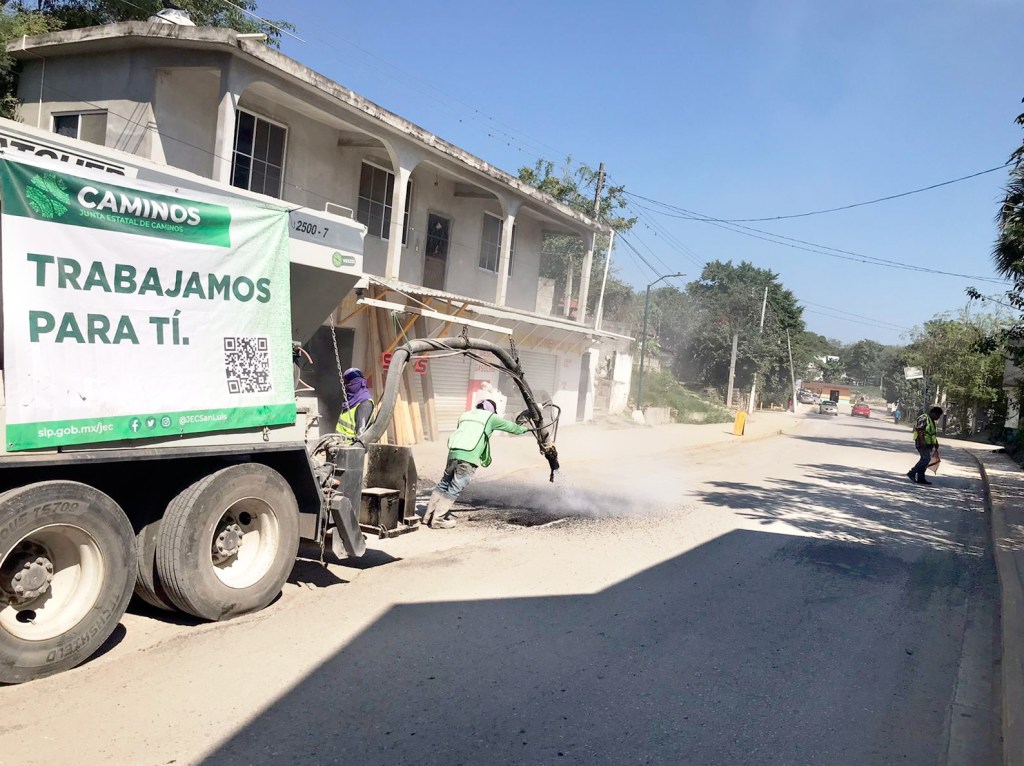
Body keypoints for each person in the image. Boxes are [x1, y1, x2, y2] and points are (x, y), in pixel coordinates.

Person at [422, 399, 529, 529]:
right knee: (455, 487)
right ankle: (437, 520)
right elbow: (513, 428)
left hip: (453, 452)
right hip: (469, 455)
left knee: (444, 483)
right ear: (491, 410)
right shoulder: (491, 417)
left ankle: (427, 516)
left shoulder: (465, 415)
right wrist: (525, 428)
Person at [907, 406, 942, 485]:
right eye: (938, 415)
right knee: (925, 459)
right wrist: (922, 442)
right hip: (922, 443)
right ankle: (912, 472)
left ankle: (921, 478)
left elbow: (932, 434)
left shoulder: (932, 421)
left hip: (928, 444)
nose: (938, 417)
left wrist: (936, 442)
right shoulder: (924, 418)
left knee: (925, 460)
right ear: (933, 413)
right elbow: (919, 431)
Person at [335, 367, 374, 440]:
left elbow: (360, 436)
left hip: (350, 448)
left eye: (348, 383)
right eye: (345, 383)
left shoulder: (364, 404)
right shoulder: (351, 401)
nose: (346, 386)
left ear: (357, 382)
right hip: (339, 445)